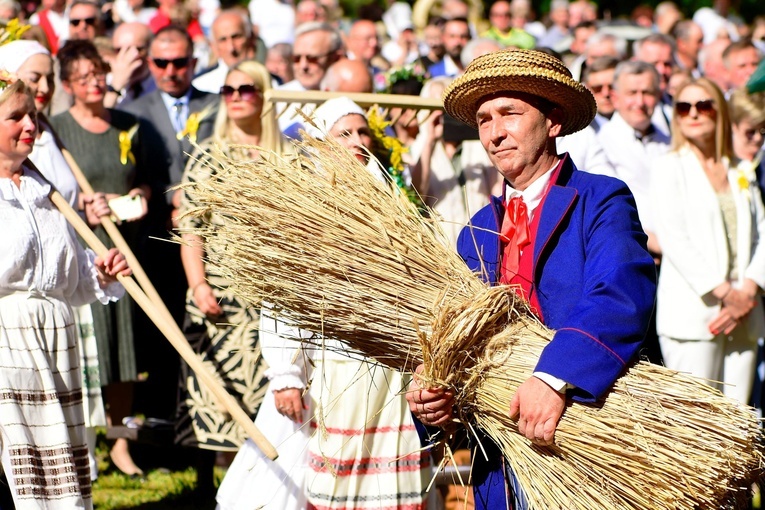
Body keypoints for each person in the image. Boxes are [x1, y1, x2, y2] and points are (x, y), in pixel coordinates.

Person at [405, 48, 656, 509]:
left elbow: (620, 294)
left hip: (582, 438)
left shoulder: (600, 200)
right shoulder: (477, 229)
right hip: (499, 462)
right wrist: (436, 395)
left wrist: (554, 376)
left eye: (510, 114)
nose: (495, 133)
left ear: (553, 122)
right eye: (483, 120)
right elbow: (459, 336)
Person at [217, 98, 431, 510]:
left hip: (388, 369)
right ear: (318, 144)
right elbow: (281, 298)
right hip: (332, 367)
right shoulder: (307, 205)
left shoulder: (390, 200)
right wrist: (286, 374)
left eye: (363, 131)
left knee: (389, 474)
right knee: (329, 475)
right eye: (344, 133)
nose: (357, 141)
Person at [0, 74, 131, 509]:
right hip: (7, 341)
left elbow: (71, 282)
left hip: (57, 337)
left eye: (33, 116)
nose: (30, 126)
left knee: (61, 470)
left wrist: (103, 275)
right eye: (15, 117)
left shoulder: (47, 193)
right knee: (18, 468)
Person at [175, 60, 284, 499]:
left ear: (264, 95)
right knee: (212, 393)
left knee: (267, 396)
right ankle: (206, 489)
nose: (237, 96)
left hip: (270, 296)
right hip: (218, 294)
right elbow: (190, 227)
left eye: (247, 88)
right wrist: (198, 284)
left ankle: (261, 487)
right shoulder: (208, 154)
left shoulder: (287, 156)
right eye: (228, 89)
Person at [50, 39, 151, 477]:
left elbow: (146, 183)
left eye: (99, 73)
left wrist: (133, 199)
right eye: (83, 76)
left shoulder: (128, 125)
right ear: (68, 84)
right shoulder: (55, 130)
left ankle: (122, 443)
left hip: (121, 249)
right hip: (81, 252)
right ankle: (84, 442)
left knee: (124, 351)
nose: (94, 82)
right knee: (91, 349)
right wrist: (82, 211)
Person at [122, 24, 218, 422]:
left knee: (206, 328)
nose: (171, 70)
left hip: (210, 237)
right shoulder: (132, 111)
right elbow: (131, 175)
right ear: (149, 64)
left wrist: (200, 201)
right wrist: (170, 198)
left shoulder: (218, 105)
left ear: (193, 62)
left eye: (180, 62)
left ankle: (206, 419)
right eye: (161, 62)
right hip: (157, 238)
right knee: (162, 331)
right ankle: (161, 419)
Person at [651, 78, 765, 405]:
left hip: (746, 312)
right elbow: (675, 239)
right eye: (684, 107)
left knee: (740, 421)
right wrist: (727, 294)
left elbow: (761, 234)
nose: (694, 113)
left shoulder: (740, 167)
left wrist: (748, 291)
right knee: (698, 426)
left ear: (720, 112)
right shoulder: (667, 167)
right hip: (695, 315)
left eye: (704, 105)